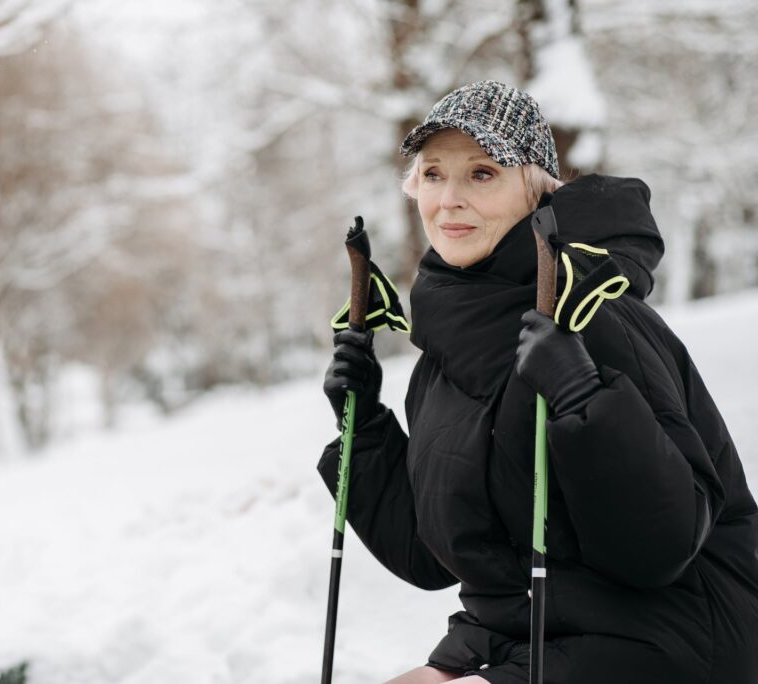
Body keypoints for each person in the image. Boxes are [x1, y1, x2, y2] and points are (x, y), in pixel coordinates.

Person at [319, 80, 758, 684]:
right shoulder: (440, 356)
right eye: (433, 175)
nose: (448, 200)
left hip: (668, 627)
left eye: (481, 174)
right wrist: (364, 425)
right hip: (513, 631)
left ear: (535, 193)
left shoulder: (595, 317)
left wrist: (585, 401)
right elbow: (431, 557)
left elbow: (661, 547)